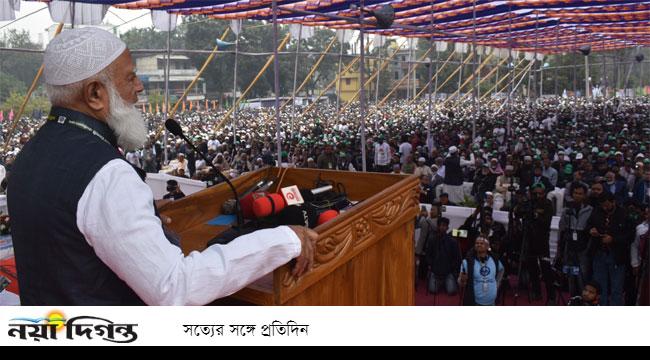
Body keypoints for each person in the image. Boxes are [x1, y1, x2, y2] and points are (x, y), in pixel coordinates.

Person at [7, 28, 316, 306]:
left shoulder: (27, 156)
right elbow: (175, 287)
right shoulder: (107, 174)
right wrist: (284, 239)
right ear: (95, 94)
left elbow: (68, 242)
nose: (139, 87)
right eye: (129, 77)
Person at [459, 236, 504, 306]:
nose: (479, 245)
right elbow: (461, 283)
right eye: (477, 243)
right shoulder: (467, 262)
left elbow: (501, 270)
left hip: (492, 302)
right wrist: (462, 280)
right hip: (474, 302)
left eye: (482, 243)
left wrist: (497, 284)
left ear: (487, 246)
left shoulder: (495, 260)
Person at [425, 217, 461, 295]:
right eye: (440, 225)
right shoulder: (432, 240)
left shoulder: (453, 242)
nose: (442, 227)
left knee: (451, 291)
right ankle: (440, 283)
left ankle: (446, 282)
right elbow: (428, 255)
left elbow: (457, 258)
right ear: (438, 226)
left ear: (447, 227)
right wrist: (431, 265)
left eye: (444, 225)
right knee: (432, 290)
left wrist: (452, 269)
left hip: (448, 273)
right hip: (435, 272)